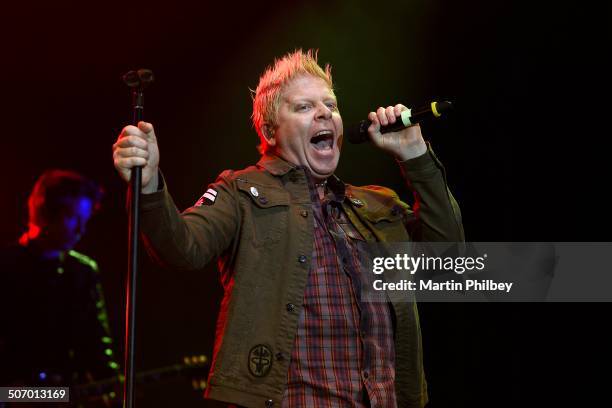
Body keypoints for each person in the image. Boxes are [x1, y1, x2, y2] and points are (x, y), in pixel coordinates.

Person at [112, 49, 464, 408]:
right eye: (304, 107)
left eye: (331, 104)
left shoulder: (377, 204)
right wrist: (148, 183)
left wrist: (416, 157)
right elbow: (181, 248)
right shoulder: (240, 192)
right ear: (269, 129)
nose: (325, 112)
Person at [0, 170, 120, 406]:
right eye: (74, 219)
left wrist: (114, 388)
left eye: (84, 221)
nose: (81, 230)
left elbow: (96, 345)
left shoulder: (83, 272)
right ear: (45, 213)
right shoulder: (5, 266)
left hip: (64, 395)